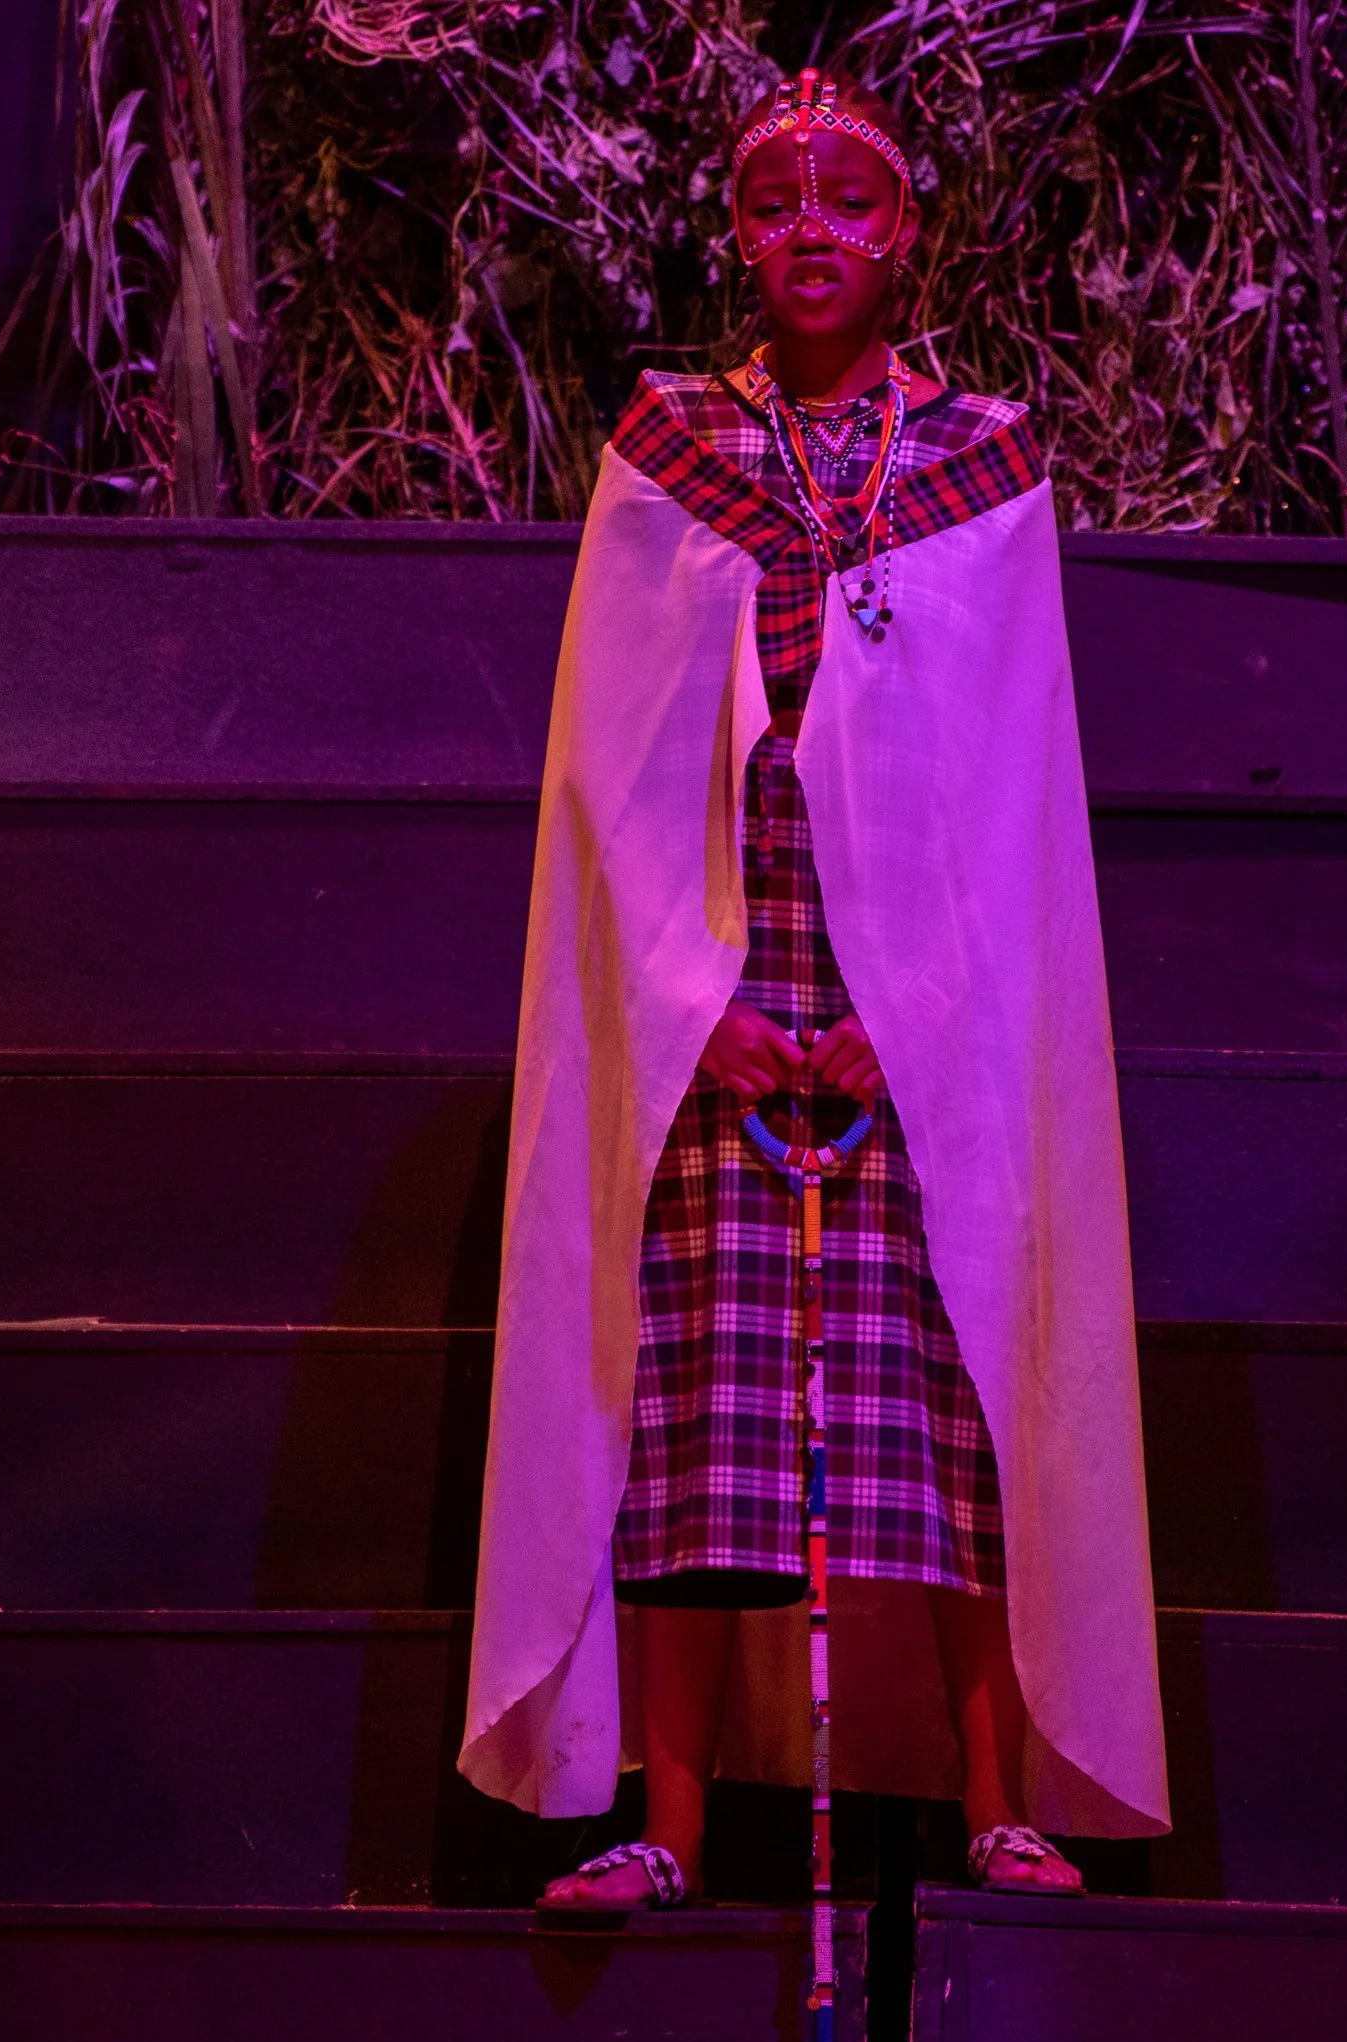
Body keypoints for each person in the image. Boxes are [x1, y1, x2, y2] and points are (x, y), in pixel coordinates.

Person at [457, 68, 1168, 1905]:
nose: (814, 236)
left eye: (852, 201)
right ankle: (673, 1826)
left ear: (908, 228)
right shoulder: (669, 448)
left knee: (946, 1412)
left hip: (916, 1024)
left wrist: (912, 1019)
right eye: (779, 204)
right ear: (735, 232)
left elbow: (1004, 799)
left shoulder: (982, 461)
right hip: (726, 1006)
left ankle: (997, 1799)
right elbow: (612, 778)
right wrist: (701, 1011)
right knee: (700, 1433)